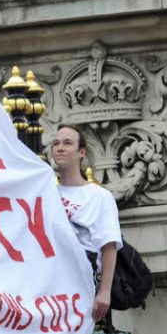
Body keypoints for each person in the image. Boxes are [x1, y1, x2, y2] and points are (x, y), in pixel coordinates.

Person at [51, 123, 122, 321]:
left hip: (84, 281)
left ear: (81, 152)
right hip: (51, 282)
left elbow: (109, 245)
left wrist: (104, 292)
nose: (60, 148)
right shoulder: (47, 194)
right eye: (56, 143)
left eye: (67, 143)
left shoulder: (99, 196)